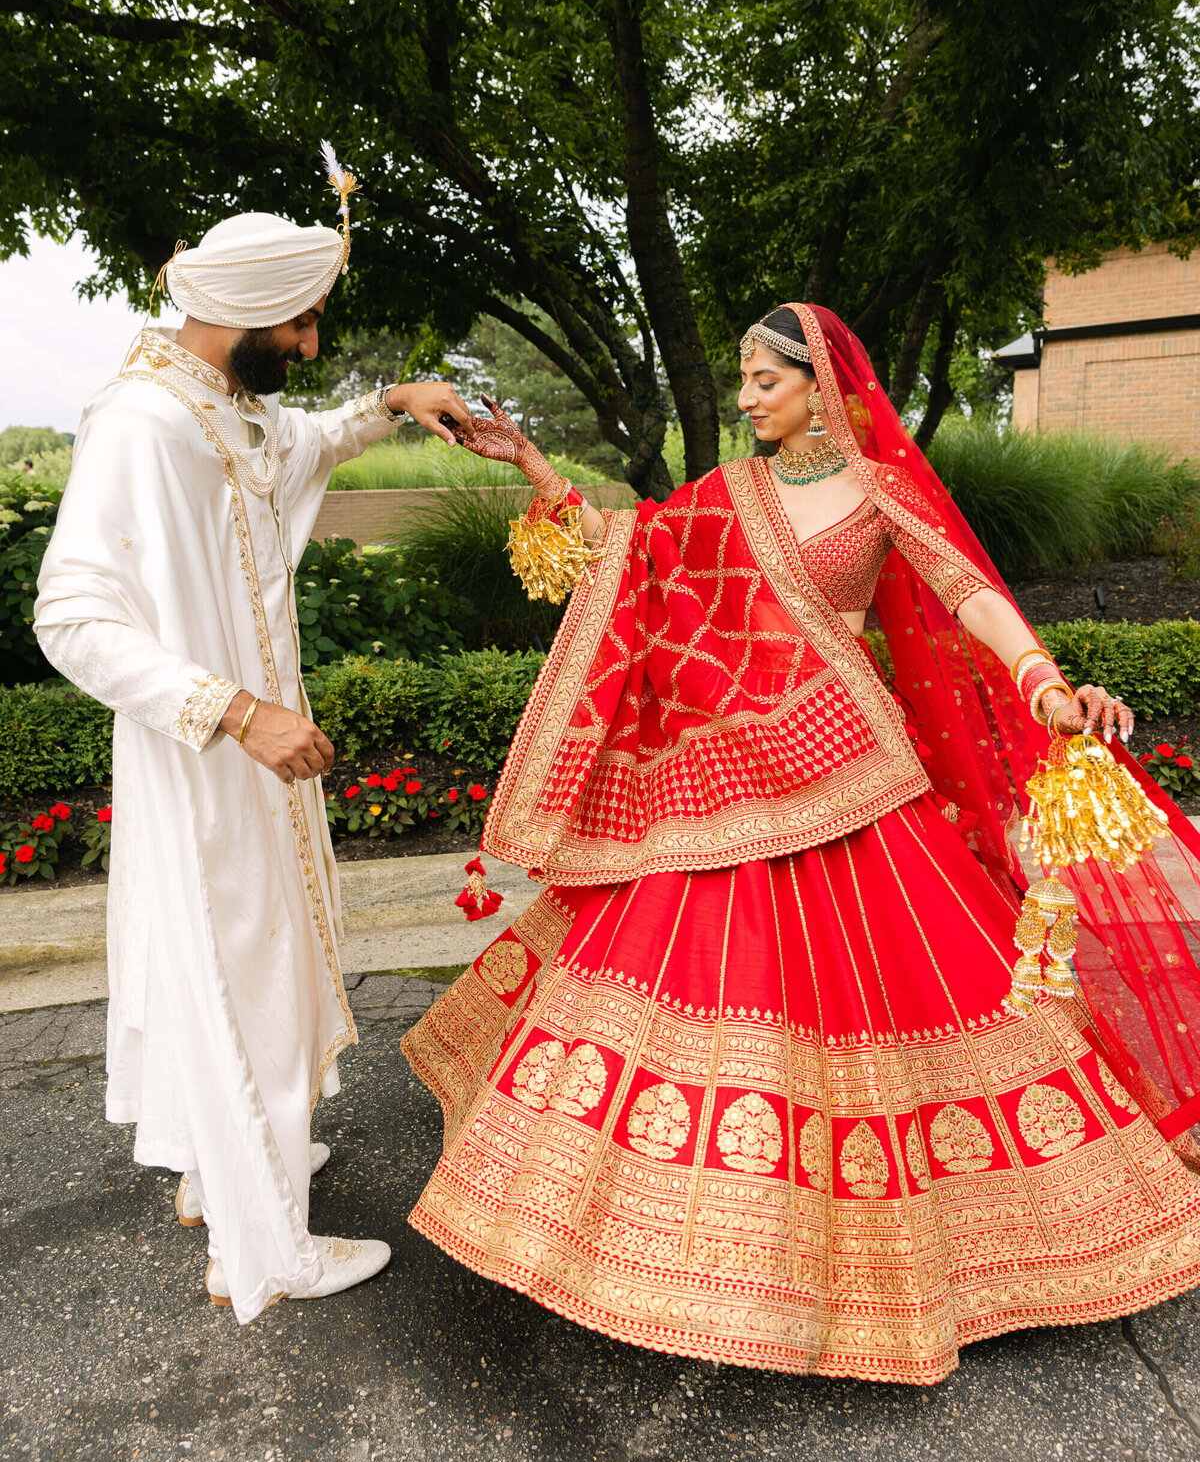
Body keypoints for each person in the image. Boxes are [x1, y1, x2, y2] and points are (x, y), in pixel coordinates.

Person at [403, 301, 1200, 1384]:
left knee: (909, 1002)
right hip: (723, 790)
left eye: (764, 382)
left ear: (824, 383)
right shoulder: (722, 496)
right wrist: (534, 463)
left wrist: (1047, 685)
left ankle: (979, 1247)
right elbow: (630, 556)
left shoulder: (880, 490)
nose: (744, 400)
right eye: (739, 379)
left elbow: (969, 592)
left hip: (851, 784)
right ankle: (674, 1258)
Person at [34, 171, 474, 1323]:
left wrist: (391, 400)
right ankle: (261, 1246)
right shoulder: (140, 420)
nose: (312, 338)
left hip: (254, 754)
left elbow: (292, 447)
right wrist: (236, 711)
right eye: (302, 320)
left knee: (246, 963)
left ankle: (217, 1167)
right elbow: (70, 615)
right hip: (210, 758)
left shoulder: (215, 398)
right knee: (249, 971)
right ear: (242, 310)